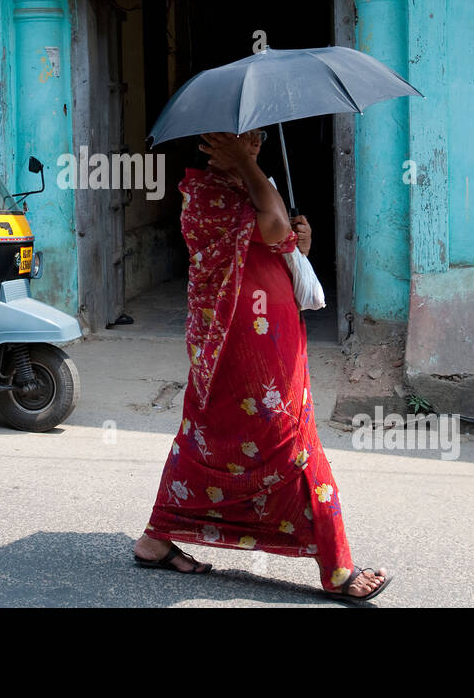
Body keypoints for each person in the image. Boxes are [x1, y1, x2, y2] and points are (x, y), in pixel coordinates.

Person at [132, 129, 389, 602]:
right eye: (241, 138)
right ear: (211, 143)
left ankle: (156, 536)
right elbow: (271, 227)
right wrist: (251, 173)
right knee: (286, 440)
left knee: (206, 435)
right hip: (238, 344)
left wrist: (299, 247)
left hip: (269, 335)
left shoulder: (244, 187)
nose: (255, 144)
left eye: (257, 138)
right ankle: (336, 567)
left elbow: (273, 245)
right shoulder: (206, 194)